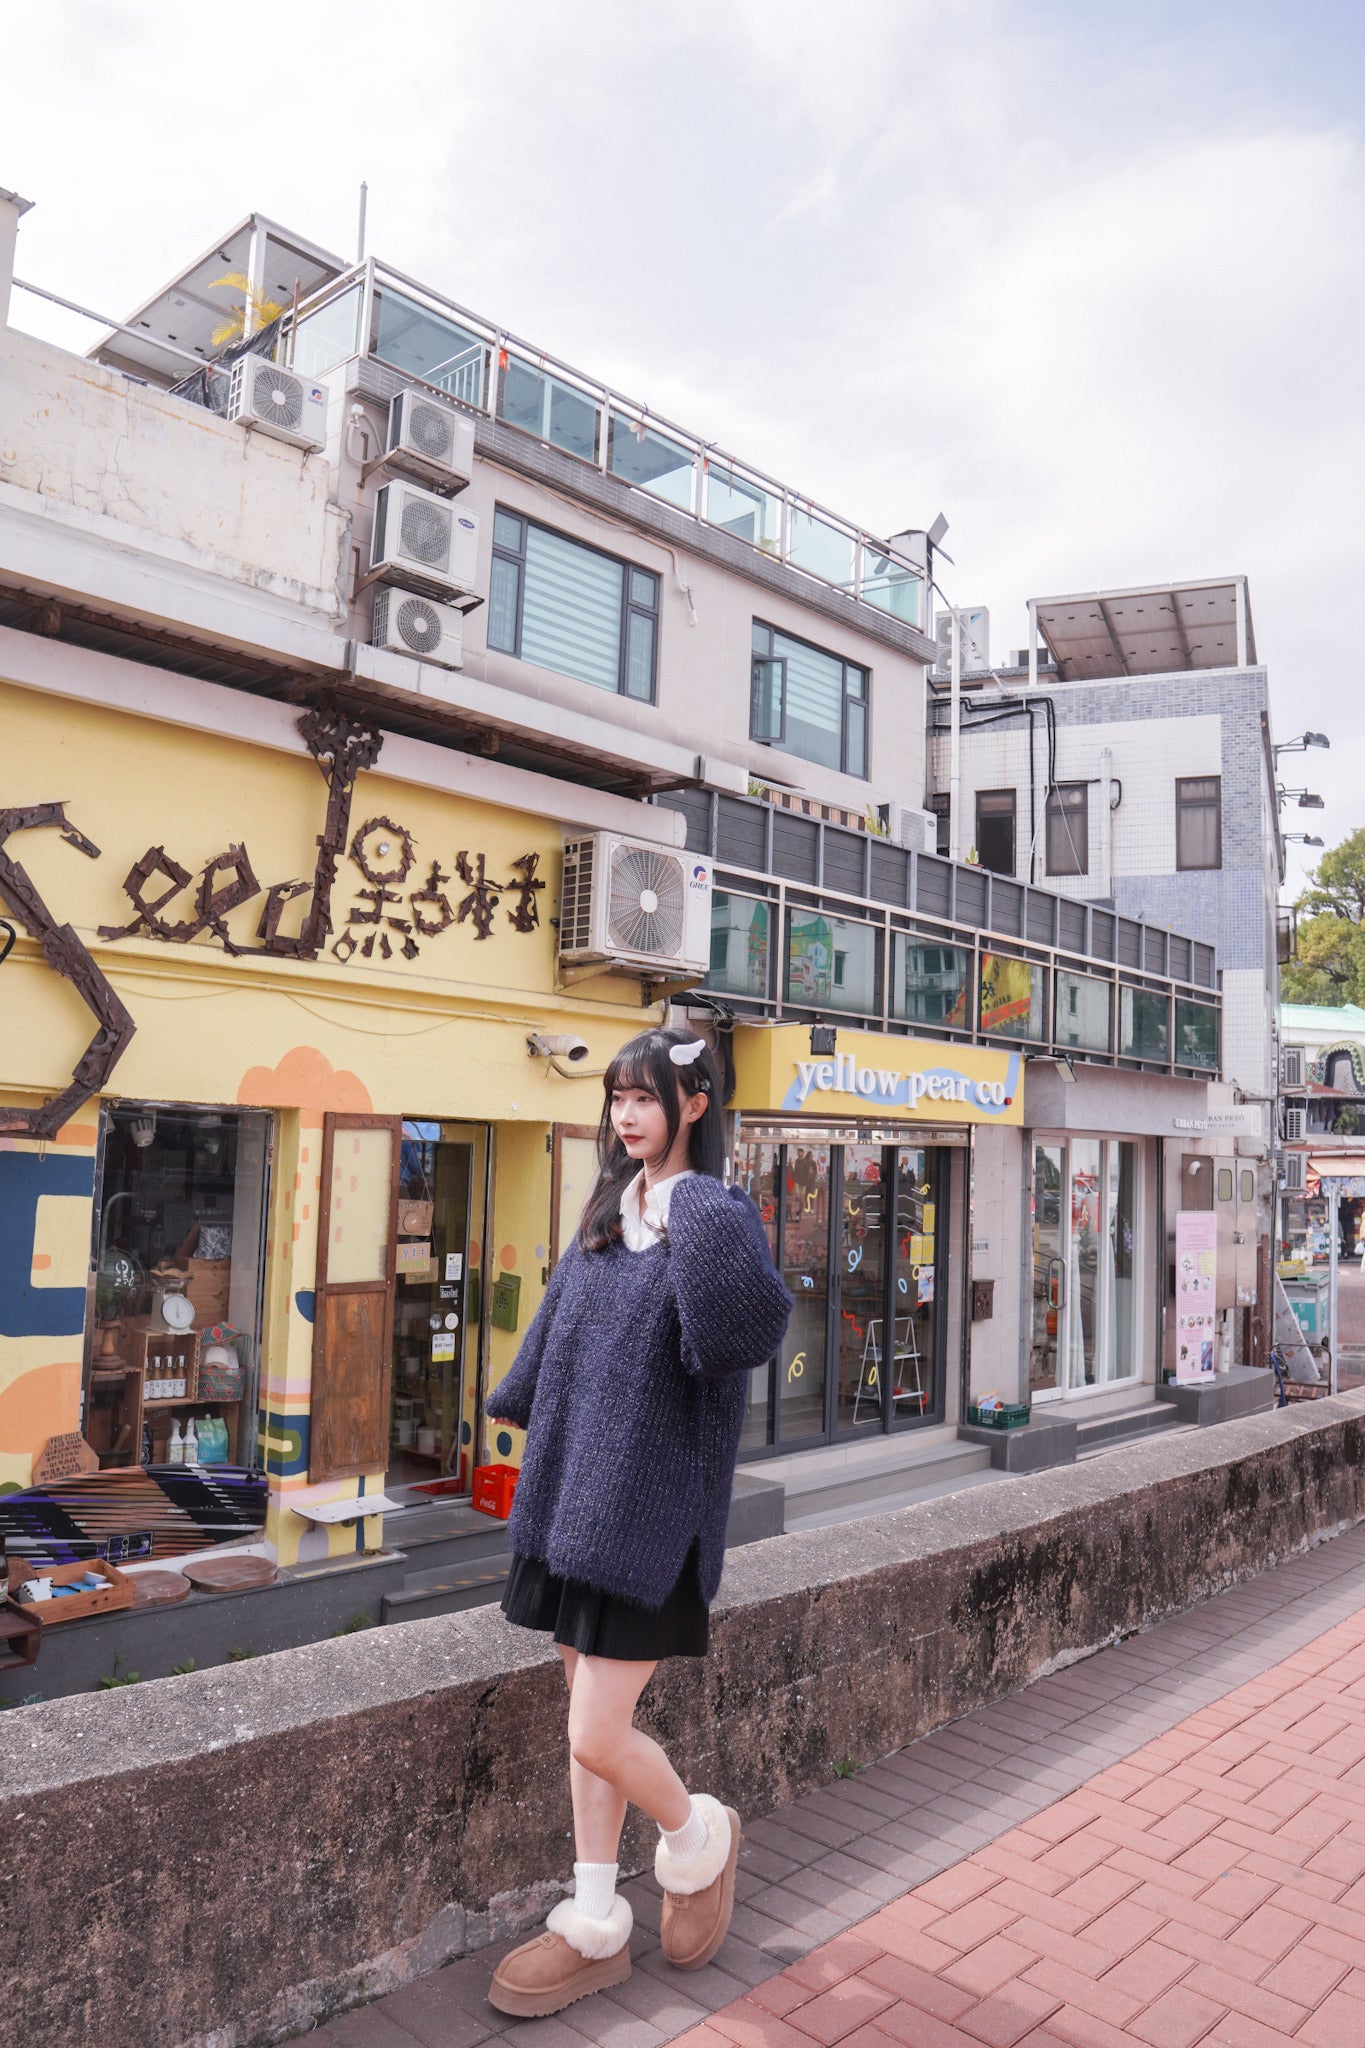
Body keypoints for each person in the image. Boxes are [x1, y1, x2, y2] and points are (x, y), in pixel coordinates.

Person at [484, 1026, 792, 2018]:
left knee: (594, 1731)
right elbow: (559, 1329)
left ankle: (697, 1836)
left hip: (651, 1523)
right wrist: (517, 1395)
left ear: (693, 1104)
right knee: (585, 1731)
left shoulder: (710, 1215)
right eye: (616, 1095)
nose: (625, 1113)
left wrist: (690, 1199)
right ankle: (593, 1918)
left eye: (645, 1096)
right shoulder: (612, 1212)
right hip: (574, 1506)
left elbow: (739, 1334)